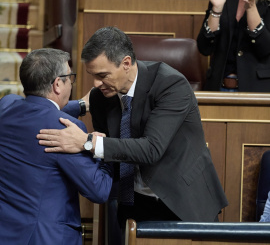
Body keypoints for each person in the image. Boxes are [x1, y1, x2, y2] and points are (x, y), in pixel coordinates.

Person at [37, 27, 228, 244]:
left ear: (126, 63)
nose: (96, 85)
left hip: (184, 201)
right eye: (92, 76)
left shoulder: (170, 85)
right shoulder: (101, 97)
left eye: (102, 75)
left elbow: (151, 149)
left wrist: (88, 142)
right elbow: (111, 153)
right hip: (134, 203)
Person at [0, 48, 113, 245]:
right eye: (70, 77)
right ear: (57, 84)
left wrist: (80, 105)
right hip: (47, 238)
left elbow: (32, 107)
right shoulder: (66, 129)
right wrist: (101, 146)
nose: (72, 82)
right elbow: (99, 190)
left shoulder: (6, 106)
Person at [197, 0, 270, 92]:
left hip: (257, 91)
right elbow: (204, 47)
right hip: (218, 88)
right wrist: (216, 9)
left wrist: (251, 9)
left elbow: (265, 49)